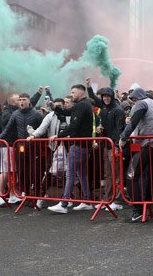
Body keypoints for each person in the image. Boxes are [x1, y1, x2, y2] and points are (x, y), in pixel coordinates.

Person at [118, 87, 153, 222]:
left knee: (131, 176)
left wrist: (123, 137)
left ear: (136, 98)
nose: (133, 103)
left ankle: (138, 210)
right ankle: (147, 207)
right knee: (149, 176)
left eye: (133, 100)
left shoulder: (142, 103)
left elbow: (134, 121)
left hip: (149, 143)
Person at [47, 84, 95, 214]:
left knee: (70, 173)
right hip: (83, 145)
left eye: (73, 92)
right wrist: (53, 106)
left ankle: (64, 203)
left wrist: (59, 135)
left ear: (81, 93)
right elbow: (66, 112)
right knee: (82, 174)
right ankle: (86, 201)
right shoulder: (83, 105)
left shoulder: (82, 105)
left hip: (78, 145)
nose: (71, 94)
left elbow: (74, 125)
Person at [0, 93, 43, 206]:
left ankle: (35, 197)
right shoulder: (15, 114)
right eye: (20, 100)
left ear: (29, 101)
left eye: (24, 99)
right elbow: (8, 128)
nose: (22, 101)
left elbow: (43, 129)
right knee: (22, 172)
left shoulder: (36, 114)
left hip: (33, 146)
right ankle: (26, 195)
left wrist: (36, 136)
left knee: (34, 172)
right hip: (20, 146)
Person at [86, 78, 125, 211]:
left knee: (116, 174)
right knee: (108, 174)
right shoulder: (104, 109)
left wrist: (114, 145)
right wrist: (89, 87)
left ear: (112, 97)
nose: (105, 99)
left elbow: (120, 129)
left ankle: (115, 199)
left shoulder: (118, 110)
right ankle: (108, 199)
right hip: (107, 145)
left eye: (108, 96)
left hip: (113, 145)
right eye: (104, 96)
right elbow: (92, 97)